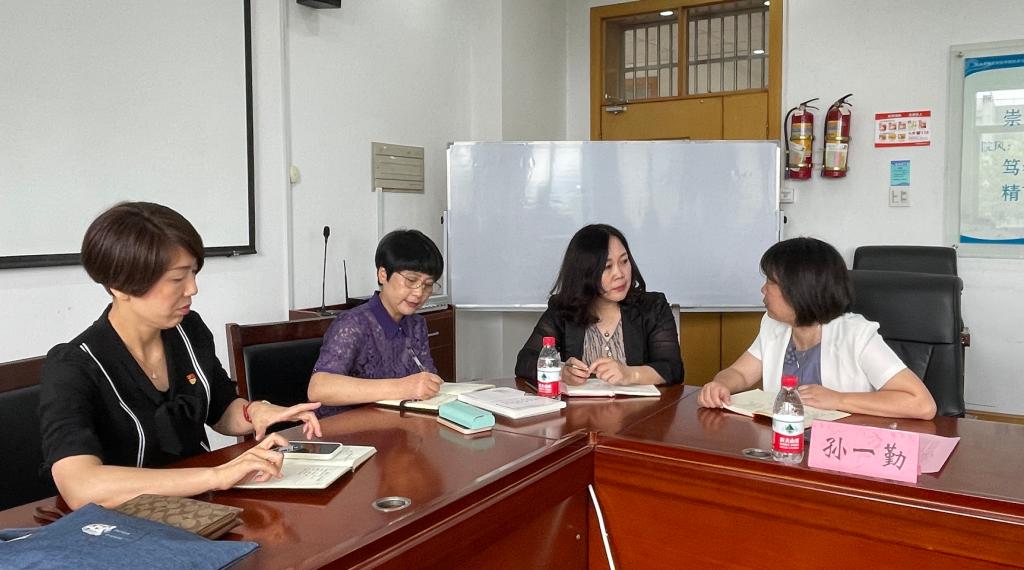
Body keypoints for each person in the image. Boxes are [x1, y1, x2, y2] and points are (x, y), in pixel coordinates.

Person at [40, 202, 323, 510]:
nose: (193, 288)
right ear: (120, 286)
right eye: (177, 278)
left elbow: (220, 409)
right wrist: (216, 476)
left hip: (201, 507)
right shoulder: (73, 366)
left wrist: (256, 412)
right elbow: (80, 486)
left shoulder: (189, 331)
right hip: (123, 523)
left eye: (193, 272)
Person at [698, 237, 937, 420]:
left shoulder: (856, 335)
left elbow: (922, 404)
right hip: (784, 443)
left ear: (798, 289)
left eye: (770, 282)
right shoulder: (773, 325)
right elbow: (740, 373)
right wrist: (722, 384)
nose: (763, 290)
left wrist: (839, 400)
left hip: (841, 450)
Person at [515, 224, 683, 386]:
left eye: (624, 261)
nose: (619, 274)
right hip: (579, 406)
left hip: (642, 406)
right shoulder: (563, 309)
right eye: (607, 267)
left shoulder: (653, 307)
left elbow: (672, 369)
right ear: (584, 273)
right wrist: (561, 371)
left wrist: (630, 374)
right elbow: (525, 361)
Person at [308, 229, 445, 417]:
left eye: (428, 285)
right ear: (383, 274)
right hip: (346, 428)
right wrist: (402, 388)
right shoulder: (353, 324)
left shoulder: (416, 324)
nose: (419, 293)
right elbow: (319, 388)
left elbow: (425, 377)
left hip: (396, 423)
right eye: (411, 280)